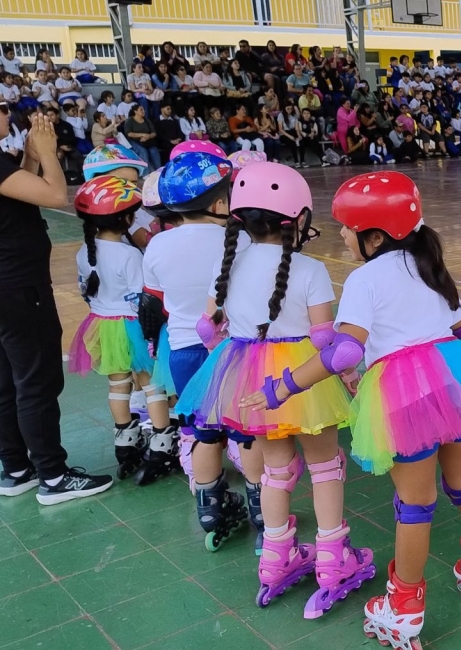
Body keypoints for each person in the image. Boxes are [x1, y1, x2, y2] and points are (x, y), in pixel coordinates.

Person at [240, 171, 461, 647]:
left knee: (414, 507)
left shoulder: (363, 279)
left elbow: (346, 353)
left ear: (374, 236)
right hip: (458, 381)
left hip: (404, 396)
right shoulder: (428, 262)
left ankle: (404, 607)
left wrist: (282, 387)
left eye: (346, 228)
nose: (341, 235)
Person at [174, 162, 372, 617]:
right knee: (326, 465)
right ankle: (331, 559)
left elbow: (209, 325)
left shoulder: (227, 265)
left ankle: (276, 558)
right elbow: (325, 340)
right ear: (298, 220)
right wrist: (347, 376)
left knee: (273, 471)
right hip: (304, 376)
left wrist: (230, 364)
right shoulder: (310, 269)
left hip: (249, 373)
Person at [150, 151, 264, 550]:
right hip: (232, 350)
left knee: (203, 431)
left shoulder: (157, 246)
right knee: (247, 431)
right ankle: (262, 505)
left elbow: (161, 297)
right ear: (219, 203)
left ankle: (210, 508)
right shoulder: (241, 239)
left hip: (182, 351)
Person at [0, 109, 115, 504]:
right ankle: (53, 475)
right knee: (36, 381)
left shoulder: (3, 166)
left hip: (6, 290)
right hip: (18, 286)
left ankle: (15, 468)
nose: (6, 113)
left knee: (7, 382)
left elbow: (18, 193)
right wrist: (49, 153)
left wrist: (30, 155)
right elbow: (52, 195)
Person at [68, 176, 172, 482]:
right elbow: (142, 298)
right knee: (152, 386)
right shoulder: (129, 255)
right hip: (131, 327)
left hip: (102, 324)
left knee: (118, 386)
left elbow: (86, 291)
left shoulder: (83, 252)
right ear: (127, 218)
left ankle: (124, 443)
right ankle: (162, 443)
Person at [121, 104, 163, 169]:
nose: (143, 111)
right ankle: (145, 173)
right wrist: (142, 135)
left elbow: (154, 133)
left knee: (154, 151)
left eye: (143, 110)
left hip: (147, 140)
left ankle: (159, 170)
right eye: (141, 110)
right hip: (134, 141)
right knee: (143, 151)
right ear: (135, 111)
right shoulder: (130, 120)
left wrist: (148, 136)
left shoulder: (147, 120)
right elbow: (129, 133)